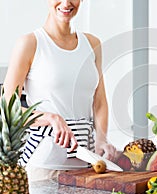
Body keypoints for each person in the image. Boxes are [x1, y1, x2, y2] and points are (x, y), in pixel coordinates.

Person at [3, 0, 117, 182]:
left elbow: (99, 101)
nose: (66, 3)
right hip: (44, 167)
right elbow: (9, 111)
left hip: (86, 167)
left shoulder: (93, 43)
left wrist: (102, 139)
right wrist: (50, 118)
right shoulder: (30, 43)